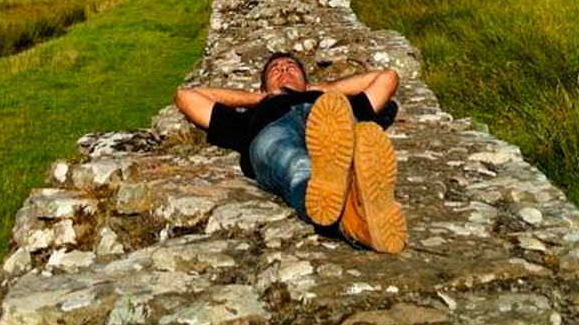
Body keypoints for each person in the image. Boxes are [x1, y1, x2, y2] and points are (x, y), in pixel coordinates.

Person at [174, 52, 407, 253]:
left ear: (307, 82)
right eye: (275, 69)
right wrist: (258, 98)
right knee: (298, 166)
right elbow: (186, 97)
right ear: (263, 86)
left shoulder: (331, 102)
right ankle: (352, 216)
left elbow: (387, 78)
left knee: (352, 141)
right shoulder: (250, 116)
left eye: (291, 67)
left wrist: (324, 90)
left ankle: (357, 217)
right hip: (273, 128)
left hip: (328, 118)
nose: (283, 69)